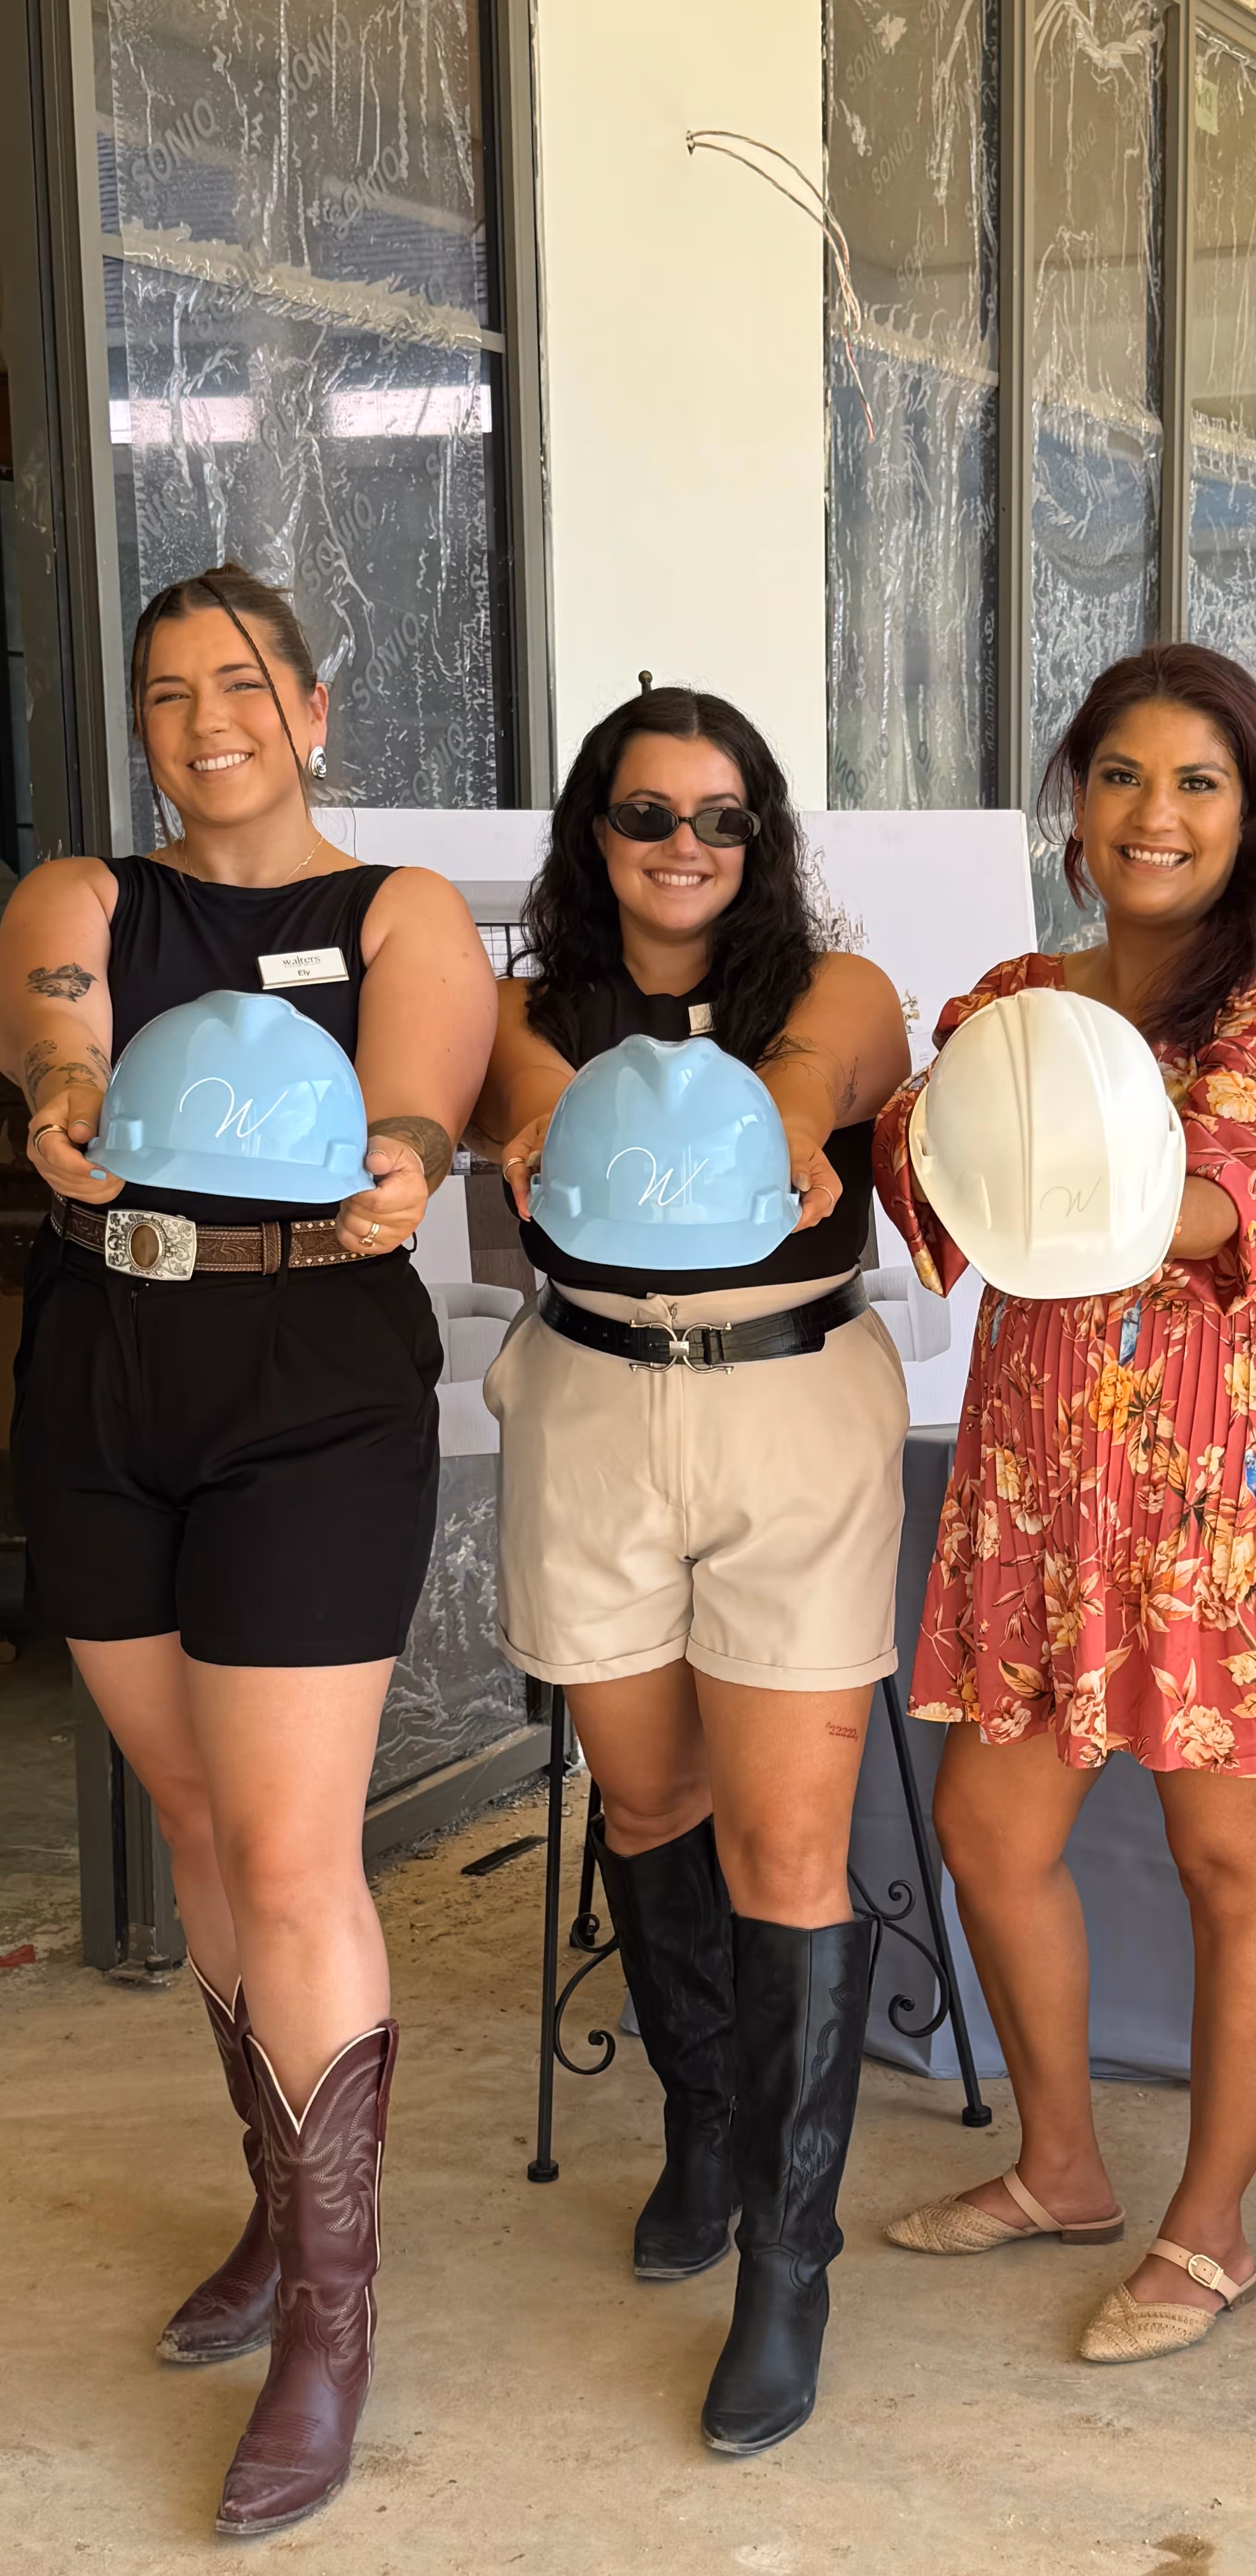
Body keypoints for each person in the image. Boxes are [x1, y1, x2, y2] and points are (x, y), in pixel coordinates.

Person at [0, 563, 496, 2532]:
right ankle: (277, 2216)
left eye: (241, 681)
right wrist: (57, 1107)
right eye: (165, 690)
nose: (203, 716)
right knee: (199, 1830)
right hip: (108, 1365)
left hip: (311, 1377)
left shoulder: (396, 911)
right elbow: (57, 1035)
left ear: (314, 705)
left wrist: (407, 1160)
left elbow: (425, 1081)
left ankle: (331, 2323)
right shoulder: (89, 898)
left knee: (291, 1852)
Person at [877, 644, 1256, 2364]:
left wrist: (1019, 1133)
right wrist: (944, 1116)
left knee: (1228, 1856)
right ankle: (1063, 2165)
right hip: (1041, 1476)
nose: (1153, 813)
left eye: (1197, 782)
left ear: (1251, 813)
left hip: (1234, 1483)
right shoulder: (1018, 988)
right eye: (1119, 777)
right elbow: (928, 1169)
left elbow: (1211, 1206)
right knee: (985, 1830)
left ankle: (1210, 2227)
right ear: (1074, 803)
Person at [472, 679, 910, 2454]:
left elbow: (812, 1077)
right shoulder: (529, 1012)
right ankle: (703, 2130)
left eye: (721, 816)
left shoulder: (838, 991)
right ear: (595, 832)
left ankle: (786, 2270)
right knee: (646, 1806)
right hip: (589, 1398)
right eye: (646, 813)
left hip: (785, 1398)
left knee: (786, 1846)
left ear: (766, 837)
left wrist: (785, 1121)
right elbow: (534, 1097)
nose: (682, 846)